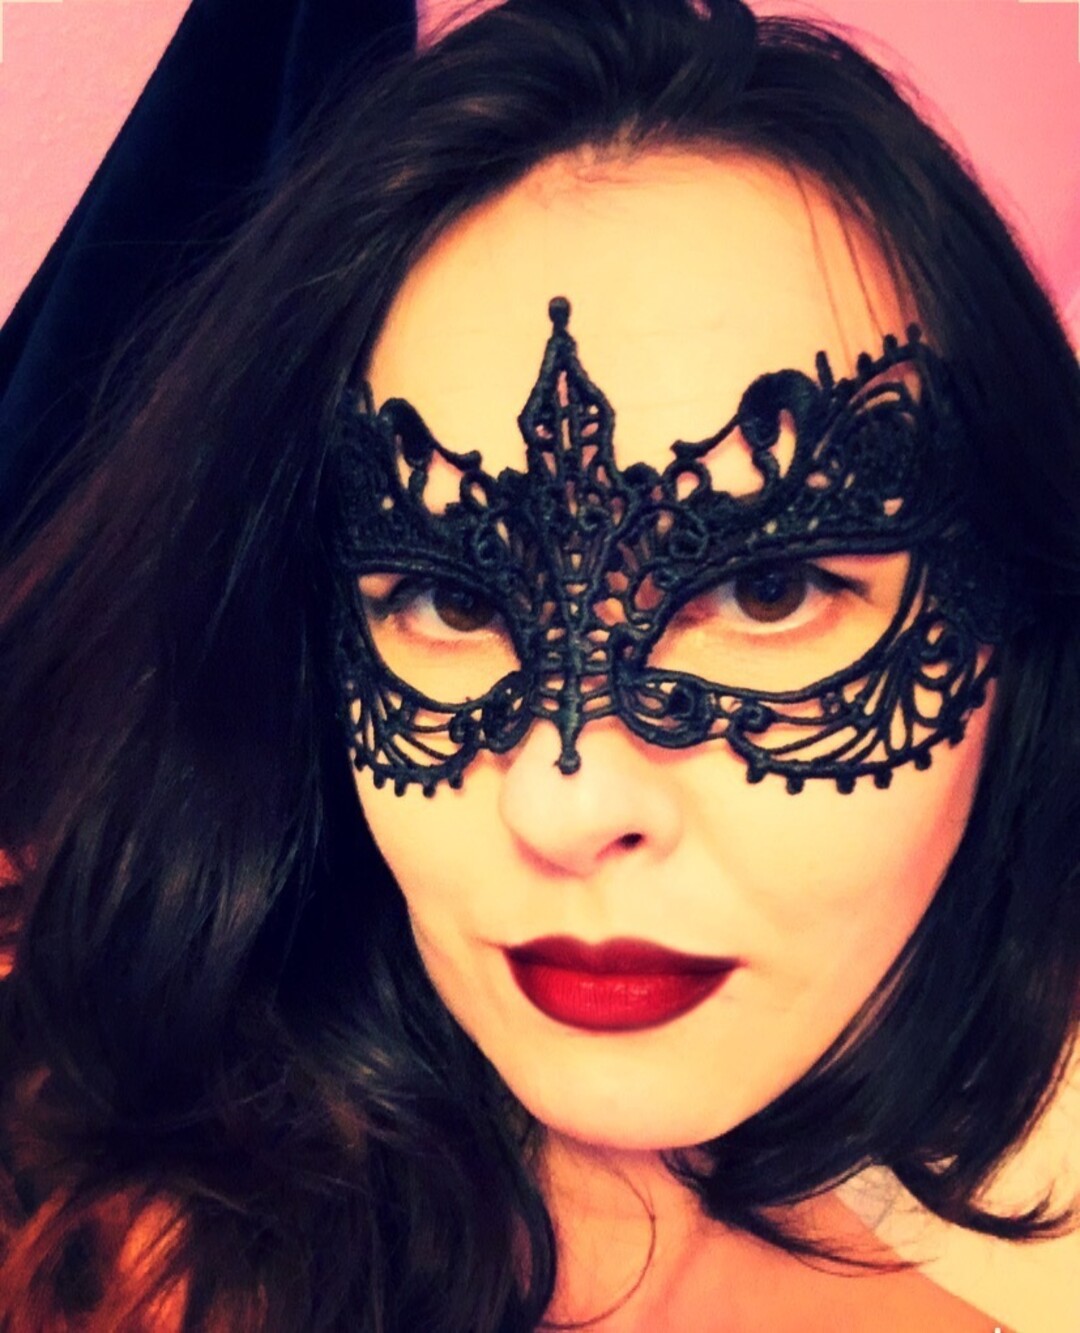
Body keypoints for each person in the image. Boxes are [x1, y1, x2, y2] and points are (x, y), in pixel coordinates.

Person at [0, 0, 1077, 1327]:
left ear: (1016, 615)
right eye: (451, 595)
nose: (565, 805)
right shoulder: (119, 1231)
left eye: (769, 587)